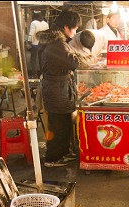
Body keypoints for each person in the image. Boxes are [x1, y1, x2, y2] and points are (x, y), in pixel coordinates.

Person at [38, 9, 81, 168]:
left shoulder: (58, 42)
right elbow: (74, 63)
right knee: (57, 125)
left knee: (64, 122)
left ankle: (63, 153)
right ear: (65, 27)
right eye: (74, 28)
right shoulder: (57, 44)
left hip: (59, 88)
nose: (76, 31)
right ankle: (52, 158)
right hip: (56, 89)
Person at [28, 11, 49, 78]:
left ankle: (34, 74)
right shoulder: (46, 24)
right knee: (42, 59)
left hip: (35, 44)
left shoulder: (33, 23)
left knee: (33, 59)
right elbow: (48, 34)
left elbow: (31, 33)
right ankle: (42, 74)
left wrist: (29, 42)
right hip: (44, 44)